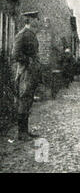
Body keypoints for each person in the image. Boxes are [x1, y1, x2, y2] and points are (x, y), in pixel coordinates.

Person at [12, 11, 41, 141]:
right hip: (25, 71)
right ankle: (21, 133)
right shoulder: (22, 34)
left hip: (32, 71)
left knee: (28, 100)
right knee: (24, 100)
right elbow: (15, 54)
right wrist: (27, 61)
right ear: (29, 20)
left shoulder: (32, 34)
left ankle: (25, 130)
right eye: (35, 19)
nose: (37, 21)